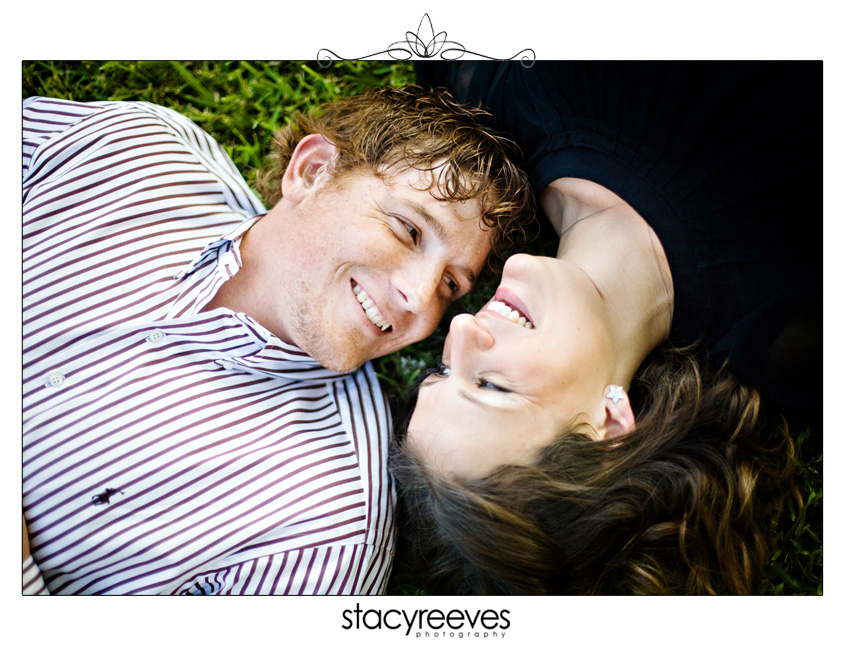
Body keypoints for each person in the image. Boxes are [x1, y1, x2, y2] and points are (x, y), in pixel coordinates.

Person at [22, 85, 533, 595]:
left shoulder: (326, 534)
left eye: (450, 285)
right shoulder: (127, 151)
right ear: (312, 172)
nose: (421, 300)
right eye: (408, 230)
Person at [390, 61, 821, 594]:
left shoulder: (482, 110)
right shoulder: (799, 321)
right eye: (491, 386)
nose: (458, 330)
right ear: (610, 428)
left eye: (442, 369)